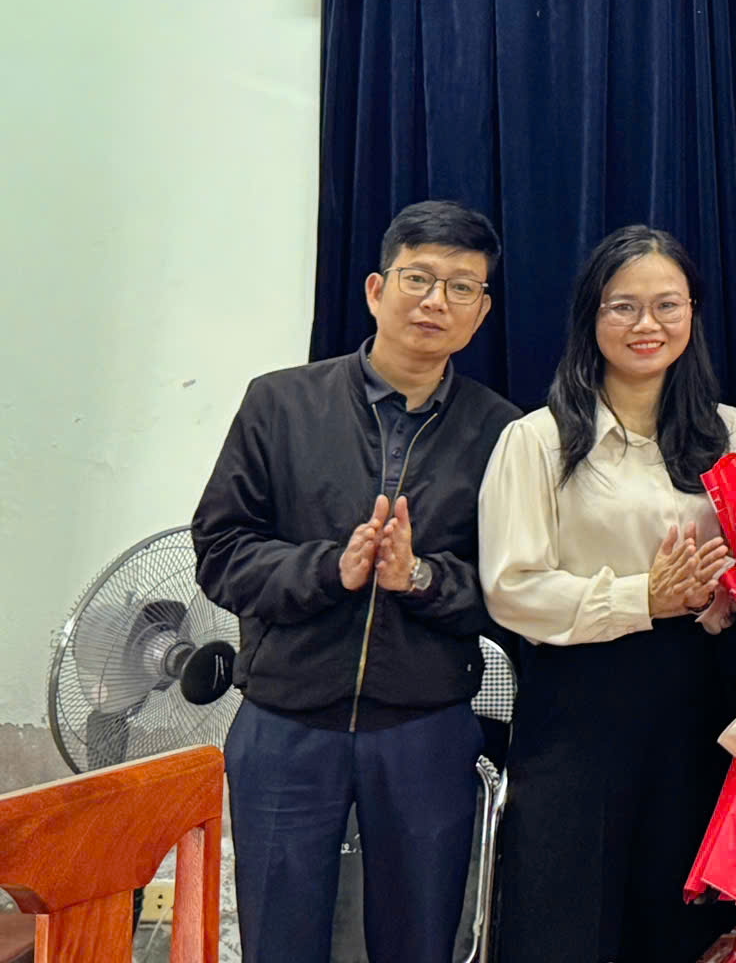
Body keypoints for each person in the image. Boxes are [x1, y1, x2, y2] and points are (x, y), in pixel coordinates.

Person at [192, 200, 519, 963]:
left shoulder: (504, 432)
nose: (436, 301)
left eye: (461, 287)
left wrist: (420, 577)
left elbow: (510, 590)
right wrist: (327, 569)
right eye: (418, 278)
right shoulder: (280, 403)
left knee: (420, 941)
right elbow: (220, 551)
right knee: (278, 939)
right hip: (285, 718)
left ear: (481, 313)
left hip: (425, 727)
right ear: (376, 289)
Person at [478, 225, 736, 963]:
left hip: (698, 700)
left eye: (667, 305)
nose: (646, 324)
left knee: (680, 919)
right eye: (623, 306)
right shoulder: (536, 440)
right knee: (568, 916)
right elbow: (511, 589)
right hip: (581, 703)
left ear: (692, 312)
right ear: (591, 317)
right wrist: (642, 598)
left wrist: (719, 598)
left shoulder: (727, 430)